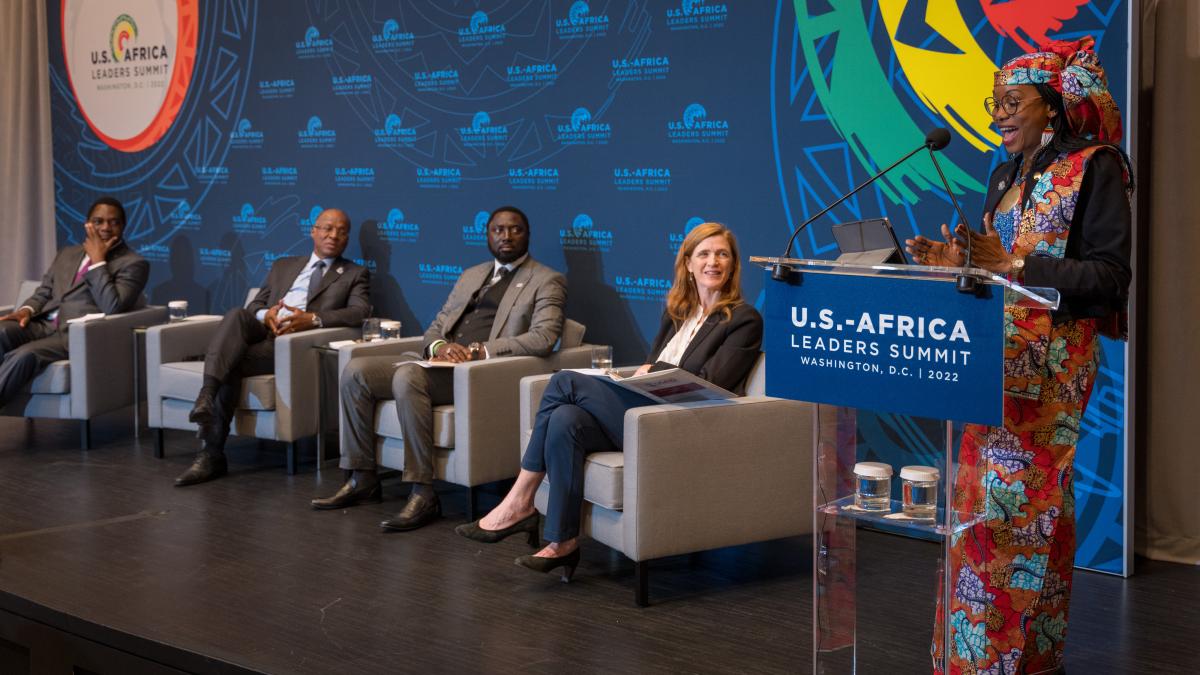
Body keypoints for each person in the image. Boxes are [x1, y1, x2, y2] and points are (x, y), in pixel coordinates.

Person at [904, 37, 1132, 674]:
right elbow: (1000, 276)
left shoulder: (1096, 166)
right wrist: (958, 262)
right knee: (1001, 513)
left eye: (1012, 102)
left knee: (1014, 514)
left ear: (1052, 107)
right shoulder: (1004, 175)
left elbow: (1111, 277)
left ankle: (991, 664)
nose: (997, 114)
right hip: (989, 366)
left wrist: (1015, 262)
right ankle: (1022, 657)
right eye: (993, 103)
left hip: (1051, 373)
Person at [455, 222, 762, 581]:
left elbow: (711, 384)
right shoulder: (677, 312)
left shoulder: (743, 319)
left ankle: (520, 499)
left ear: (733, 264)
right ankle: (562, 542)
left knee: (564, 381)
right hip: (644, 414)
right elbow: (651, 373)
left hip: (681, 424)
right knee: (565, 419)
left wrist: (655, 369)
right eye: (705, 254)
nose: (714, 262)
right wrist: (640, 376)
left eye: (722, 254)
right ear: (689, 264)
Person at [313, 206, 567, 532]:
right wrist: (439, 348)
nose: (505, 236)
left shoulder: (547, 280)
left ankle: (423, 491)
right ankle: (362, 476)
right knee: (356, 370)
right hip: (438, 363)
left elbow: (544, 338)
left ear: (527, 234)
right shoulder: (471, 275)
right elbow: (435, 328)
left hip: (480, 375)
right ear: (488, 235)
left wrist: (479, 352)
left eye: (514, 229)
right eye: (498, 230)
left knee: (408, 375)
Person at [174, 208, 370, 486]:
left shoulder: (354, 273)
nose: (334, 235)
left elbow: (360, 311)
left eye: (342, 231)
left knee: (231, 362)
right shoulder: (284, 265)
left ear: (347, 238)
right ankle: (207, 396)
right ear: (313, 231)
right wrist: (264, 315)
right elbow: (255, 304)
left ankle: (211, 453)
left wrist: (312, 319)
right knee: (237, 314)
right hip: (263, 330)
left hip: (291, 345)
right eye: (327, 228)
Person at [0, 197, 149, 406]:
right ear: (88, 224)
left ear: (123, 226)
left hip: (77, 334)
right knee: (2, 331)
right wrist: (26, 309)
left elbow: (113, 306)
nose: (106, 227)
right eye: (99, 221)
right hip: (43, 325)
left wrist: (99, 261)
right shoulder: (67, 254)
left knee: (23, 356)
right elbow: (43, 292)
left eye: (113, 222)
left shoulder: (134, 263)